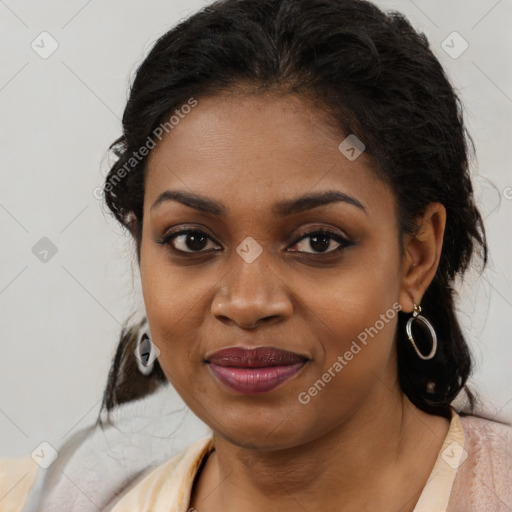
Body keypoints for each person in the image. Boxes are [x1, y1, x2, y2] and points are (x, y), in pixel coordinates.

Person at [2, 0, 511, 510]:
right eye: (192, 240)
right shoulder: (79, 498)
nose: (247, 303)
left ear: (416, 258)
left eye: (318, 241)